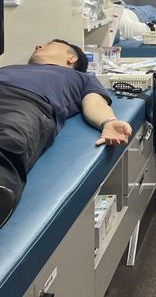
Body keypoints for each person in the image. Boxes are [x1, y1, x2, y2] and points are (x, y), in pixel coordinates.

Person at [0, 39, 132, 228]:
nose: (38, 46)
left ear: (71, 58)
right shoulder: (10, 67)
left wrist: (109, 122)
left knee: (10, 139)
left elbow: (95, 102)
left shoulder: (82, 78)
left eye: (48, 45)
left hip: (26, 102)